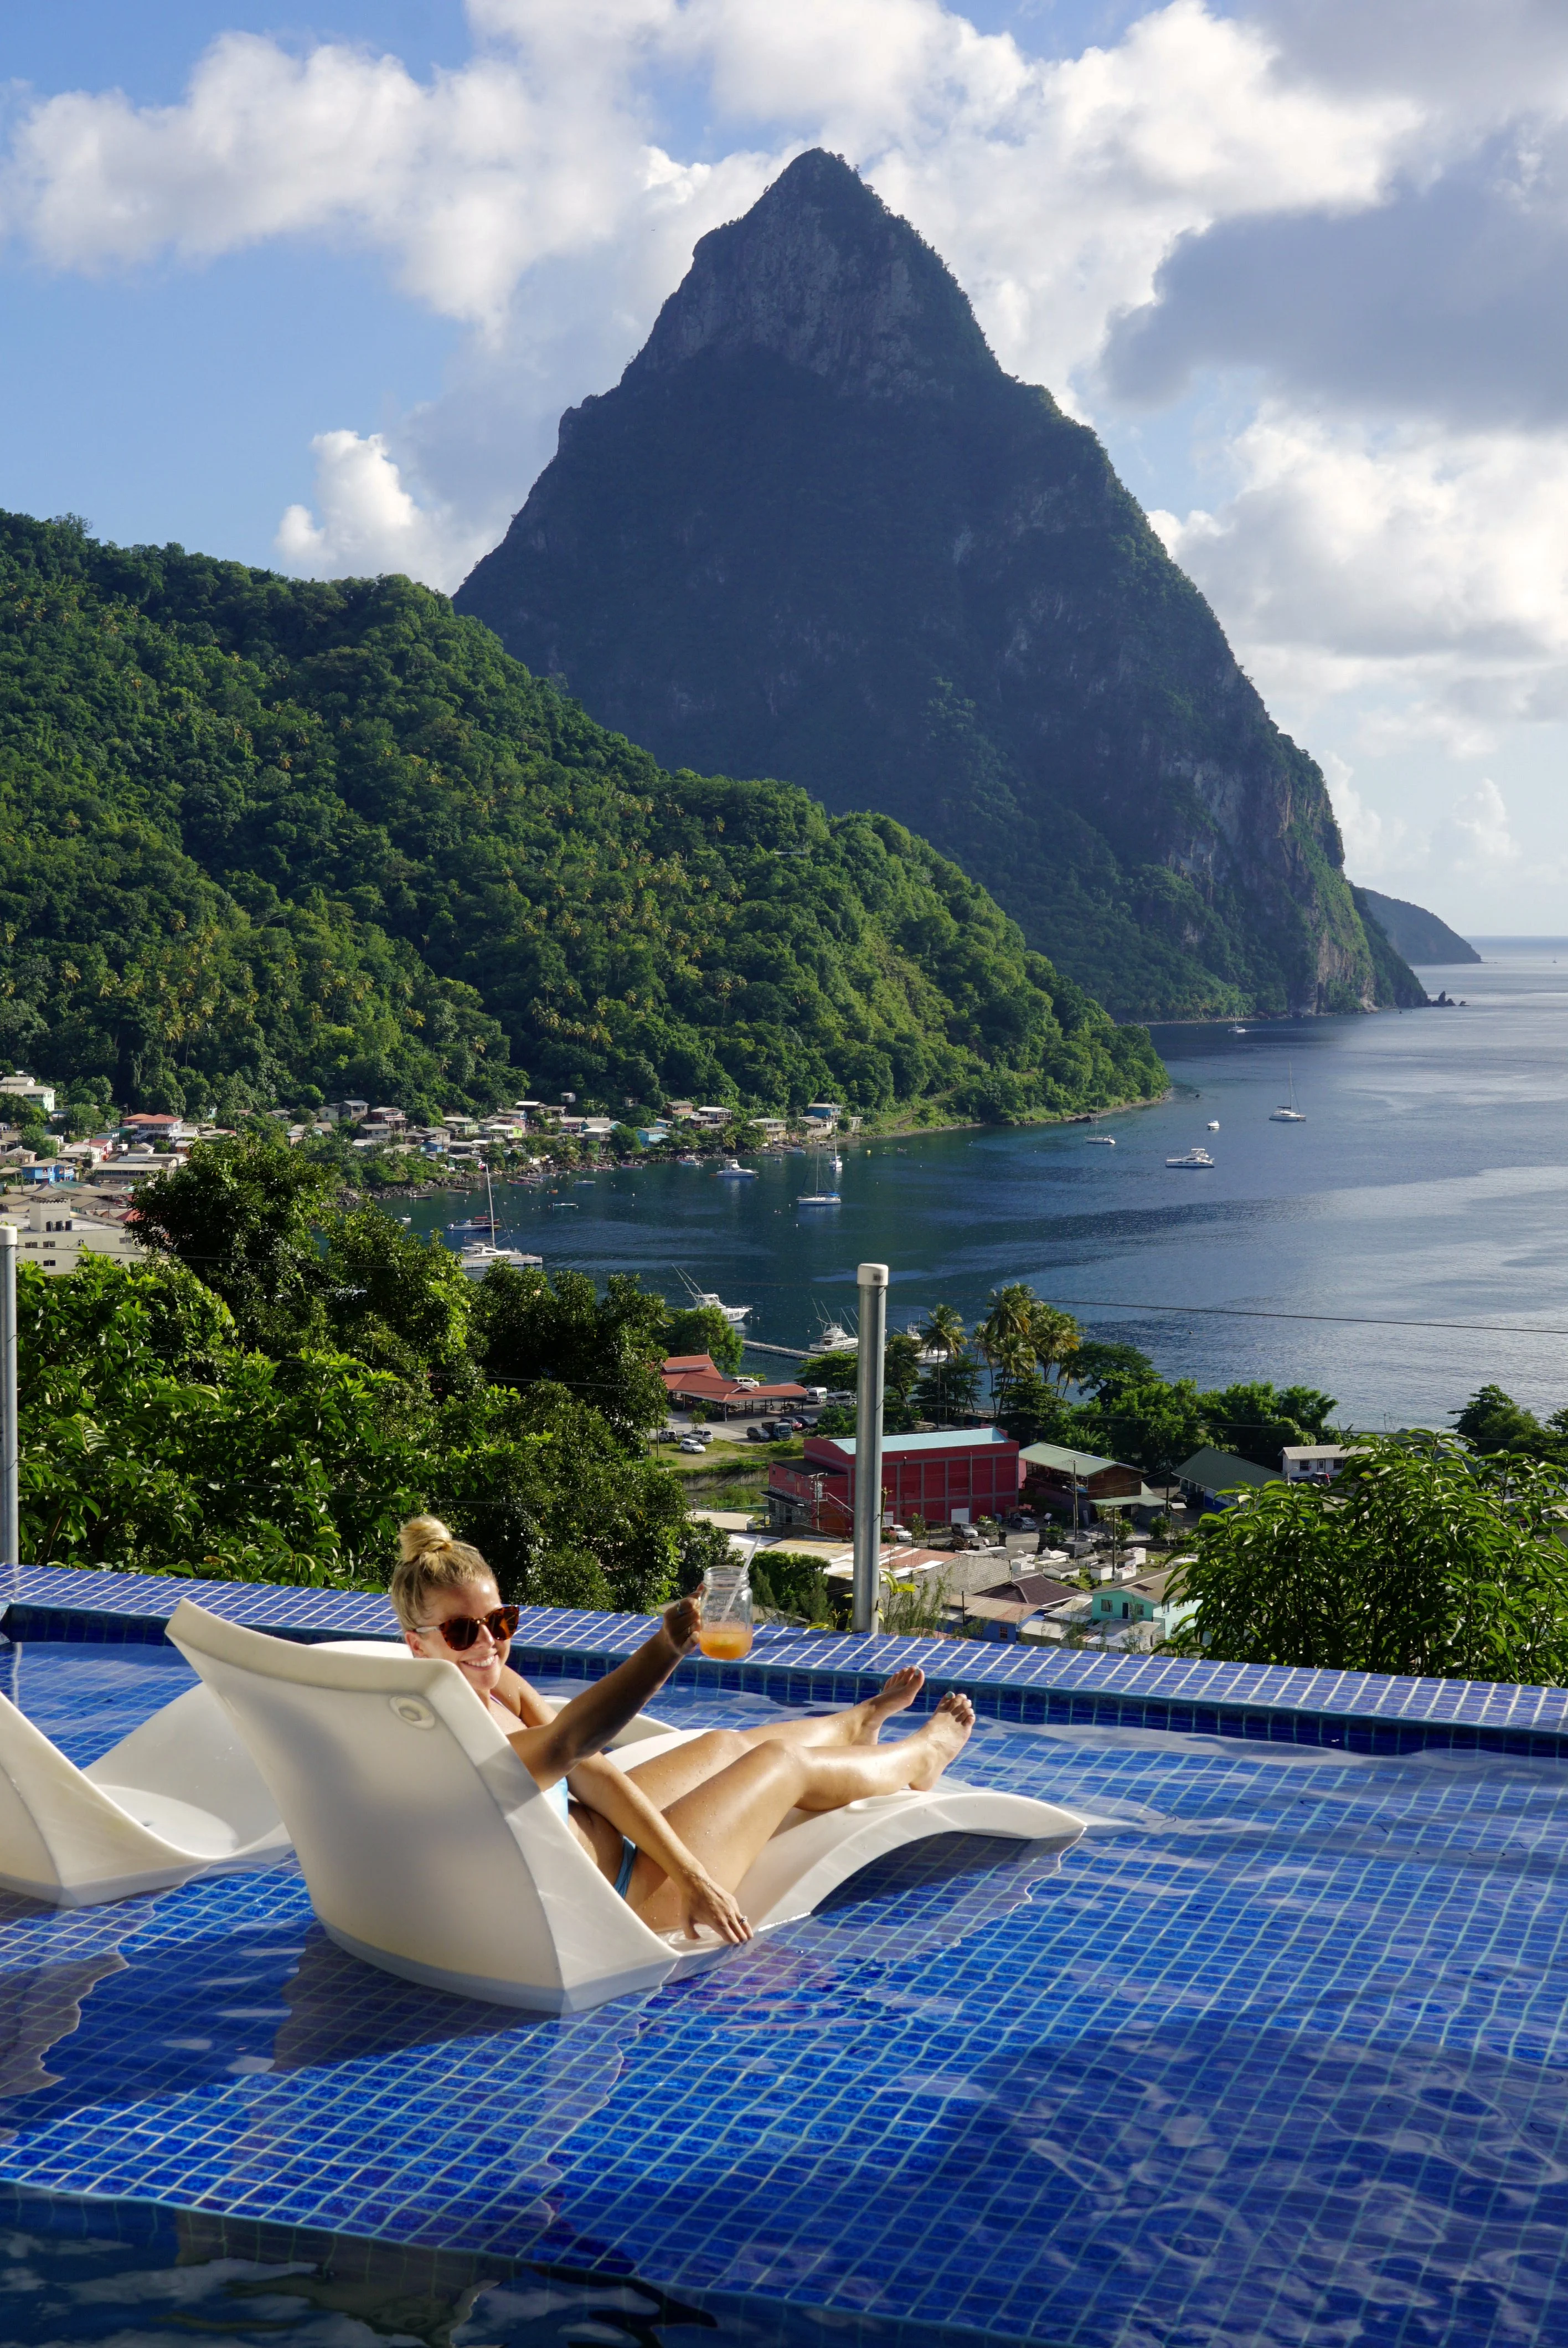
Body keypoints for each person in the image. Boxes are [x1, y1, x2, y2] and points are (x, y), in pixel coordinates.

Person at [393, 1517, 976, 1948]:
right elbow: (570, 1739)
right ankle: (921, 1756)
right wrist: (666, 1647)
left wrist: (688, 1863)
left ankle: (859, 1721)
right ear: (416, 1642)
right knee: (779, 1765)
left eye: (500, 1620)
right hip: (620, 1900)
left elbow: (589, 1767)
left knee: (723, 1747)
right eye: (464, 1631)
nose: (491, 1642)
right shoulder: (450, 1733)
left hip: (612, 1847)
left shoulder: (497, 1685)